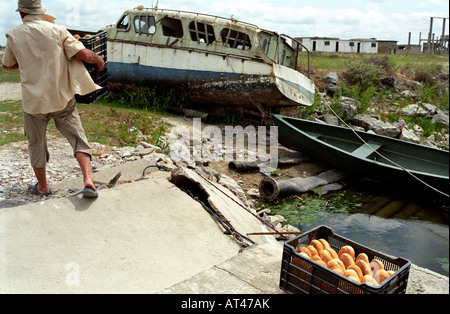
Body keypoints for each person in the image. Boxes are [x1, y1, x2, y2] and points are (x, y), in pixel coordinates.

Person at [2, 0, 105, 198]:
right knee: (77, 137)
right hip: (61, 99)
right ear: (40, 12)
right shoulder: (58, 30)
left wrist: (26, 63)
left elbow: (8, 65)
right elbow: (84, 54)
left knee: (36, 144)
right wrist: (99, 60)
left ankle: (43, 187)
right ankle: (88, 180)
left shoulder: (14, 35)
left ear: (21, 14)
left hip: (33, 103)